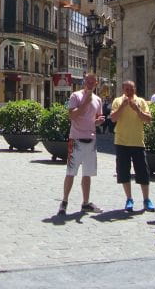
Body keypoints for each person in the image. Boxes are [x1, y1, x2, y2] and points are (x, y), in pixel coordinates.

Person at [57, 73, 105, 216]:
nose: (90, 84)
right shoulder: (75, 96)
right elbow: (72, 115)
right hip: (76, 139)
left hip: (91, 139)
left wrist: (99, 122)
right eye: (88, 81)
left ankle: (85, 202)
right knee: (71, 172)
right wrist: (85, 103)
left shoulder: (98, 100)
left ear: (96, 83)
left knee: (87, 173)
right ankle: (64, 201)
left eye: (93, 82)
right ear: (84, 82)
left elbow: (95, 119)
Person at [109, 80, 155, 212]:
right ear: (123, 89)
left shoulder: (141, 101)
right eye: (126, 89)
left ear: (135, 89)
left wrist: (137, 109)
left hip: (137, 142)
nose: (129, 91)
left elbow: (148, 119)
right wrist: (122, 106)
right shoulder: (117, 101)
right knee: (123, 172)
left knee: (143, 172)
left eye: (131, 89)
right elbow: (113, 118)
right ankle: (129, 198)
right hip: (121, 142)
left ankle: (146, 199)